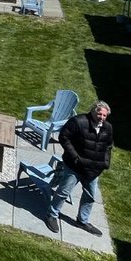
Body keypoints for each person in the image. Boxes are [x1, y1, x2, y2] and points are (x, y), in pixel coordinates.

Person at [45, 100, 113, 236]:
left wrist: (105, 162)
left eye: (105, 116)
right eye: (100, 114)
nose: (102, 118)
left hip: (94, 169)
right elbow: (64, 137)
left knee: (90, 196)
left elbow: (108, 146)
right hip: (74, 167)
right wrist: (75, 157)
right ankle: (51, 215)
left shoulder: (108, 128)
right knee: (63, 192)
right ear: (93, 111)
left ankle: (82, 221)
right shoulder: (78, 122)